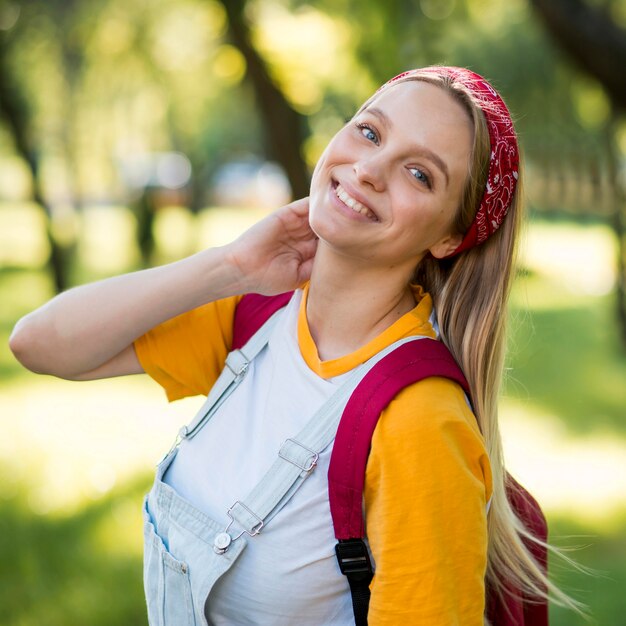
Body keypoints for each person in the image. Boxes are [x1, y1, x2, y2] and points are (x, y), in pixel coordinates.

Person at [10, 67, 561, 625]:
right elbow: (41, 345)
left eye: (419, 174)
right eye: (370, 132)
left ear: (448, 236)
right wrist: (230, 266)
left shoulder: (417, 422)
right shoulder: (261, 317)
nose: (368, 170)